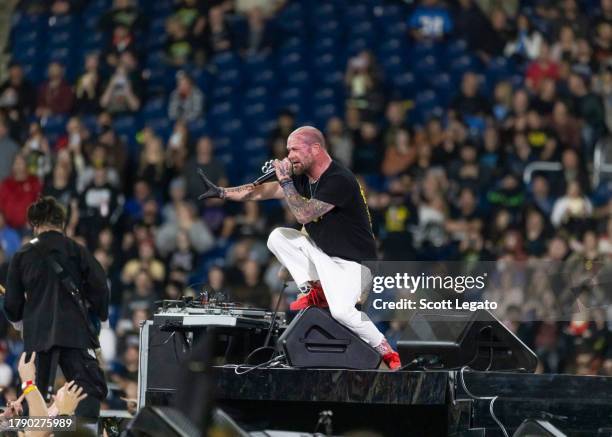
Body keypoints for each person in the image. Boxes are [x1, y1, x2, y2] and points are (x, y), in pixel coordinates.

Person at [197, 126, 402, 370]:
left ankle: (387, 351)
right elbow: (262, 192)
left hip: (354, 266)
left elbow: (304, 213)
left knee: (342, 313)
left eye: (294, 149)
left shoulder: (340, 179)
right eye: (287, 150)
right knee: (277, 237)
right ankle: (312, 290)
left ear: (315, 149)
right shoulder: (302, 179)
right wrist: (223, 193)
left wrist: (284, 180)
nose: (289, 155)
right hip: (324, 259)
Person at [3, 196, 110, 418]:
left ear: (35, 225)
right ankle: (82, 433)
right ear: (61, 223)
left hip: (38, 337)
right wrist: (98, 314)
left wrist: (22, 322)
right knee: (85, 392)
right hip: (75, 334)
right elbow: (100, 286)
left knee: (35, 396)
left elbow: (12, 303)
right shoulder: (76, 250)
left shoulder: (23, 254)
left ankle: (33, 433)